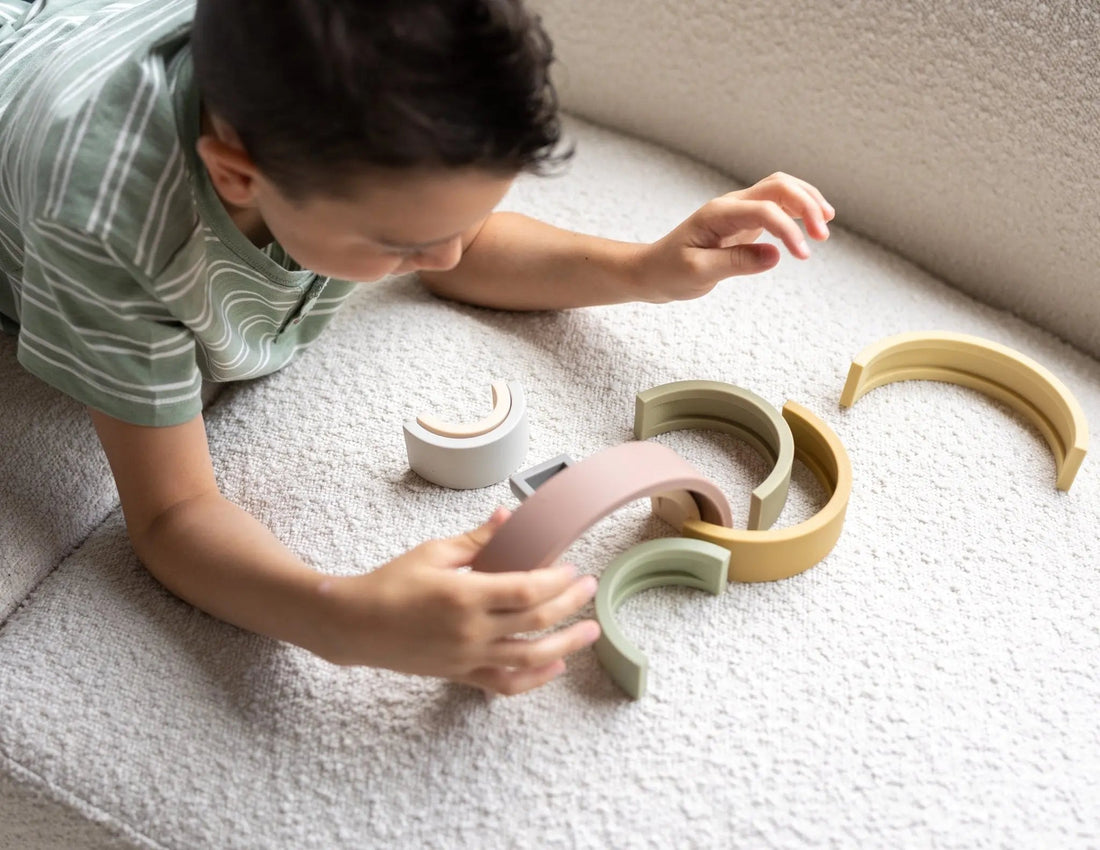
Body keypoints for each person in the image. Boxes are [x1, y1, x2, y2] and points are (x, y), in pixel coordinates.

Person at [0, 0, 833, 696]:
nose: (446, 254)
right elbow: (172, 514)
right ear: (237, 177)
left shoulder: (339, 97)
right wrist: (339, 616)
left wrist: (643, 268)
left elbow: (462, 250)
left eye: (463, 219)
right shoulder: (107, 227)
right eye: (402, 244)